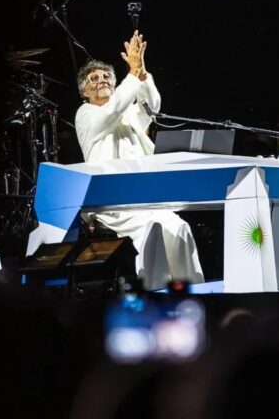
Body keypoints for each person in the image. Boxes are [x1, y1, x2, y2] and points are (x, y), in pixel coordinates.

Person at [74, 30, 204, 290]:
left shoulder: (129, 113)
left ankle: (192, 290)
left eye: (107, 76)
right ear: (84, 91)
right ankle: (155, 292)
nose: (102, 80)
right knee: (151, 229)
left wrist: (142, 74)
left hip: (144, 195)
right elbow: (113, 110)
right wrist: (131, 74)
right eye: (94, 78)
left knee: (179, 228)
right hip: (111, 199)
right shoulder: (86, 114)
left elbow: (152, 105)